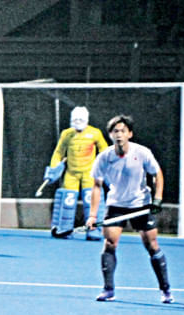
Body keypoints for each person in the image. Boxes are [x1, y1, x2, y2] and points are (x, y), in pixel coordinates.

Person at [86, 114, 173, 303]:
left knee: (152, 245)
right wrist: (92, 215)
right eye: (115, 131)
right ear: (110, 135)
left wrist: (157, 199)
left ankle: (165, 290)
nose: (119, 135)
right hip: (116, 204)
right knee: (109, 243)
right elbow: (96, 186)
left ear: (130, 134)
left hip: (140, 203)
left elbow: (157, 174)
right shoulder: (104, 157)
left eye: (123, 131)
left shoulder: (142, 153)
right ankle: (108, 289)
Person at [45, 106, 110, 240]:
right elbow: (58, 152)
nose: (78, 122)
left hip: (89, 173)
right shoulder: (66, 134)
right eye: (75, 119)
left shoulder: (95, 133)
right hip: (71, 173)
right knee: (67, 200)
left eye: (81, 119)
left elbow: (104, 151)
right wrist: (53, 169)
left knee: (91, 200)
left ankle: (94, 230)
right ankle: (64, 229)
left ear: (86, 119)